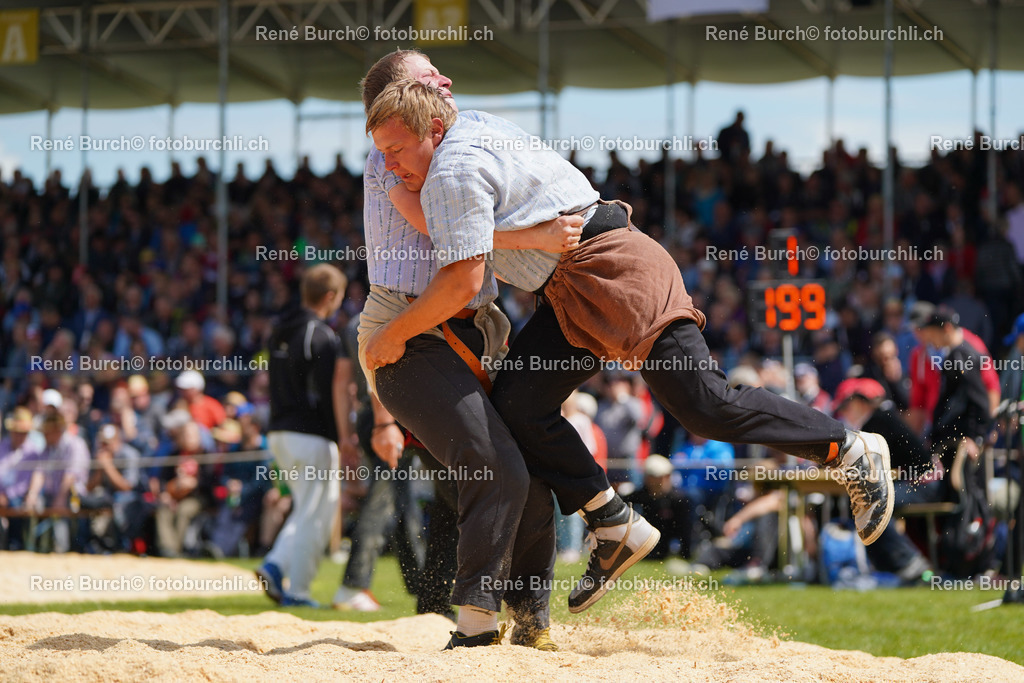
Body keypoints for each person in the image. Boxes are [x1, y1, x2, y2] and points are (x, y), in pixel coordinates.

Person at [362, 81, 895, 614]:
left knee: (705, 405)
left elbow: (460, 271)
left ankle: (849, 447)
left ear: (433, 127)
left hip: (614, 269)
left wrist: (393, 333)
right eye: (380, 152)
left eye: (394, 149)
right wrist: (531, 236)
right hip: (573, 288)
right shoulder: (463, 132)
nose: (386, 163)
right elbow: (446, 222)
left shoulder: (453, 168)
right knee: (517, 405)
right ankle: (611, 520)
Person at [355, 49, 628, 650]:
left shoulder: (458, 149)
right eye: (429, 80)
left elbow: (464, 235)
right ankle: (475, 621)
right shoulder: (392, 157)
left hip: (473, 326)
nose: (444, 86)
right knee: (493, 464)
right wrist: (535, 235)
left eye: (439, 78)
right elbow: (443, 235)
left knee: (525, 468)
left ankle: (532, 624)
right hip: (410, 324)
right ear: (405, 104)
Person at [257, 263, 355, 608]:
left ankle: (275, 564)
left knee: (304, 508)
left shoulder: (279, 330)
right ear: (330, 296)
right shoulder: (323, 336)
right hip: (312, 435)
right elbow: (331, 394)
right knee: (317, 514)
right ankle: (297, 591)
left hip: (279, 432)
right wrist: (342, 437)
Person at [622, 454, 691, 560]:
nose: (653, 480)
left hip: (669, 545)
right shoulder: (639, 496)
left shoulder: (680, 499)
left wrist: (684, 554)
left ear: (667, 476)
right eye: (650, 476)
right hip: (644, 545)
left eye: (657, 476)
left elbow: (685, 530)